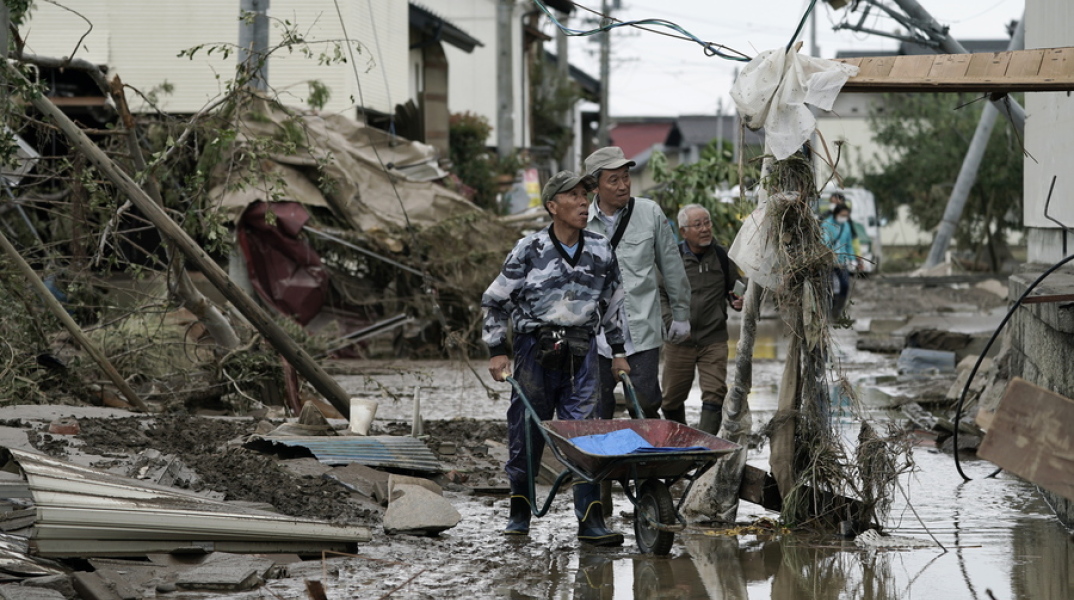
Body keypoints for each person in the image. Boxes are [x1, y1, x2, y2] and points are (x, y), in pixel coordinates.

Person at [482, 170, 631, 546]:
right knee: (526, 431)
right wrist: (497, 350)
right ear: (552, 206)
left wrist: (618, 352)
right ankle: (519, 511)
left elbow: (613, 304)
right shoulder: (528, 249)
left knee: (584, 435)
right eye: (575, 195)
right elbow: (495, 300)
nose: (584, 202)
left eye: (586, 195)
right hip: (535, 351)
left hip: (581, 354)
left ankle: (589, 519)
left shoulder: (600, 249)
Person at [583, 146, 692, 420]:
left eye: (626, 177)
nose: (623, 186)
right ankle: (601, 459)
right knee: (598, 408)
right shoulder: (581, 222)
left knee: (644, 403)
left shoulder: (649, 213)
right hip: (595, 336)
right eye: (614, 180)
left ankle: (645, 460)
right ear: (595, 187)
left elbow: (672, 267)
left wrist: (681, 315)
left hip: (641, 330)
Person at [659, 204, 744, 435]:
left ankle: (704, 448)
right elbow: (660, 296)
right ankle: (679, 441)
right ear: (683, 231)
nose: (705, 229)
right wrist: (671, 323)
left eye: (707, 223)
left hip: (713, 338)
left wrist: (737, 301)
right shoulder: (670, 259)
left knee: (715, 392)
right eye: (698, 225)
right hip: (679, 341)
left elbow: (733, 290)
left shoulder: (722, 256)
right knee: (670, 399)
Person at [821, 203, 859, 318]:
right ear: (836, 214)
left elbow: (848, 245)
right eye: (842, 215)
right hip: (828, 262)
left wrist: (852, 259)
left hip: (842, 262)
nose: (844, 217)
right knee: (829, 286)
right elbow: (824, 242)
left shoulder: (846, 225)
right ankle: (830, 309)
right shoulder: (827, 224)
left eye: (846, 215)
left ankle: (838, 309)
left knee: (845, 285)